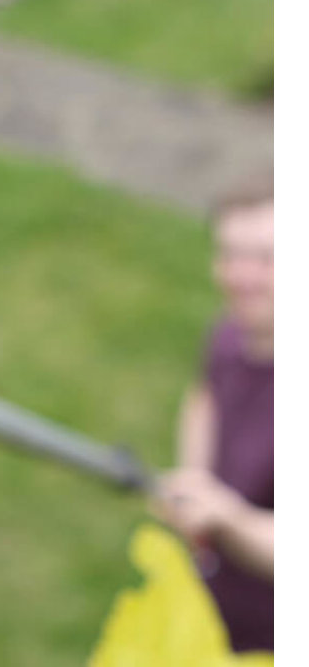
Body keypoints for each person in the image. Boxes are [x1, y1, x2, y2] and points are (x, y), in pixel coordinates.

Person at [155, 174, 273, 652]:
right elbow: (204, 398)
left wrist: (228, 517)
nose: (241, 276)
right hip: (216, 603)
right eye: (230, 254)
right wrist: (194, 478)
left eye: (268, 258)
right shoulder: (228, 335)